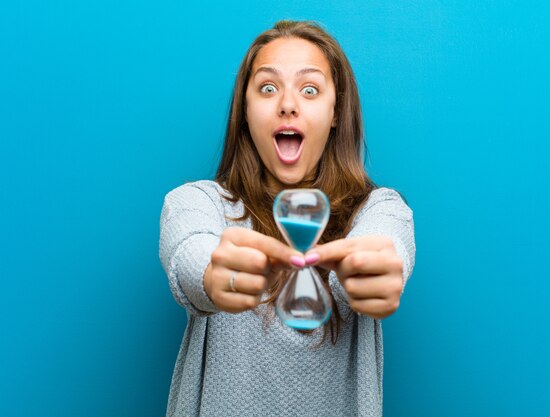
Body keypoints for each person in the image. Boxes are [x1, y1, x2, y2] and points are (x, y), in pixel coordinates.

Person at [159, 20, 416, 417]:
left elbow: (384, 243)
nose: (288, 104)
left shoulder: (379, 208)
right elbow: (191, 251)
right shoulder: (198, 202)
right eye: (267, 87)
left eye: (310, 89)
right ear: (244, 111)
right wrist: (216, 275)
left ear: (335, 111)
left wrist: (371, 269)